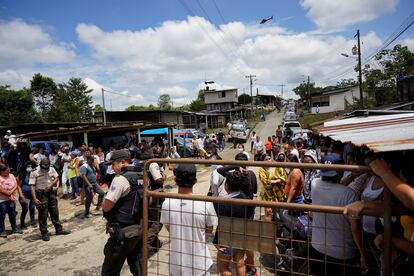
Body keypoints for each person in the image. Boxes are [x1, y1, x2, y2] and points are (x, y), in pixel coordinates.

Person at [310, 153, 366, 275]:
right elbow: (355, 228)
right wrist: (363, 253)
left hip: (317, 248)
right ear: (341, 171)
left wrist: (350, 177)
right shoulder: (349, 195)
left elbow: (333, 189)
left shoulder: (314, 184)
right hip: (341, 254)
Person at [160, 164, 218, 276]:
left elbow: (169, 228)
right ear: (195, 180)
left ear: (176, 180)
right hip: (200, 262)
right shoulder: (205, 203)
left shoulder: (167, 204)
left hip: (176, 263)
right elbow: (209, 230)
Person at [102, 149, 144, 276]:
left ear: (122, 162)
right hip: (138, 228)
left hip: (123, 231)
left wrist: (104, 201)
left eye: (113, 164)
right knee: (138, 266)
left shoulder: (120, 179)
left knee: (109, 271)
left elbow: (107, 206)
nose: (112, 168)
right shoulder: (142, 175)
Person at [217, 153, 258, 275]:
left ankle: (249, 267)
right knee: (246, 243)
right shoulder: (251, 175)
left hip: (235, 212)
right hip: (248, 211)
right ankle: (252, 267)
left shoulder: (232, 176)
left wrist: (234, 166)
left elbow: (220, 169)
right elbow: (255, 191)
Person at [30, 158, 70, 241]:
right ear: (40, 165)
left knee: (54, 211)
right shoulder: (34, 171)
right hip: (41, 193)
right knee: (43, 214)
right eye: (44, 168)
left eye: (47, 168)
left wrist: (51, 185)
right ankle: (44, 233)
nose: (45, 169)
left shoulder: (51, 168)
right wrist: (34, 198)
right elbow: (32, 186)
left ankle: (59, 229)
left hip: (50, 192)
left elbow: (56, 177)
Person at [259, 155, 286, 221]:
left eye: (269, 158)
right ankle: (267, 229)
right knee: (268, 212)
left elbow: (284, 177)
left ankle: (274, 228)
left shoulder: (278, 167)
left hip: (278, 193)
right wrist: (278, 179)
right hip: (267, 194)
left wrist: (275, 180)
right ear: (263, 161)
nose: (268, 160)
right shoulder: (262, 169)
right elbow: (265, 181)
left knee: (275, 211)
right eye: (266, 159)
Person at [0, 163, 23, 237]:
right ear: (1, 171)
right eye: (7, 170)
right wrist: (8, 193)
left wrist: (11, 192)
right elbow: (0, 189)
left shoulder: (11, 175)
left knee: (12, 214)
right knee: (1, 216)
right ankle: (2, 231)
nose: (9, 171)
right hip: (2, 200)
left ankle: (15, 228)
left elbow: (16, 184)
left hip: (12, 199)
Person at [18, 161, 36, 229]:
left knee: (32, 208)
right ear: (25, 167)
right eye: (28, 167)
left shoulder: (33, 174)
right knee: (25, 209)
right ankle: (22, 224)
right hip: (24, 194)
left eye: (31, 166)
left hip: (32, 194)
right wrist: (21, 195)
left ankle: (33, 222)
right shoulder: (22, 175)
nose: (30, 168)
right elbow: (18, 186)